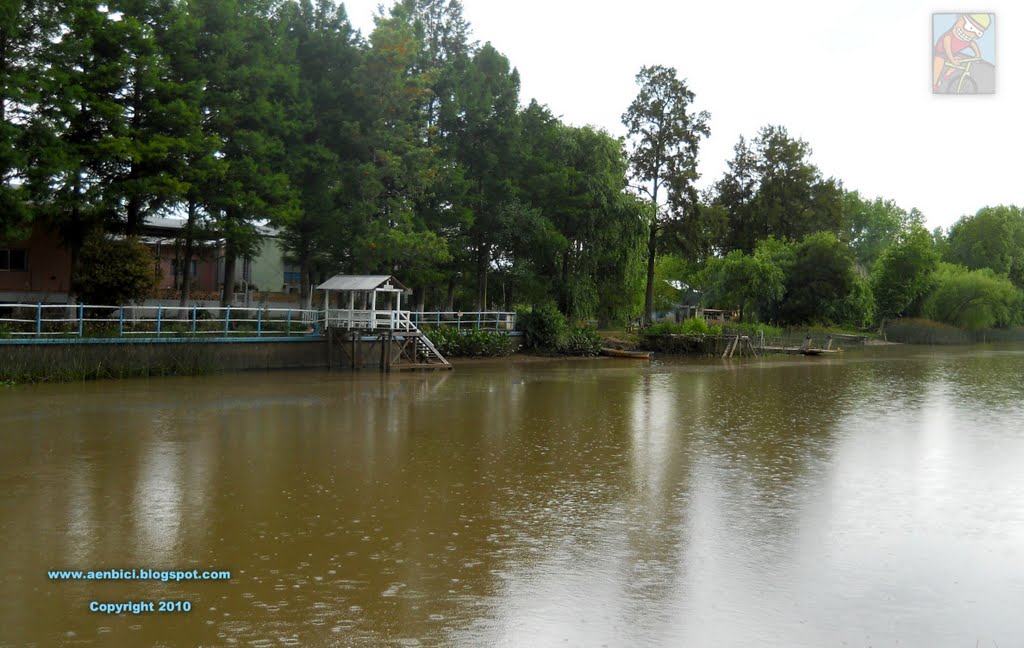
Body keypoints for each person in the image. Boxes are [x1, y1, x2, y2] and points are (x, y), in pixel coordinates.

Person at [933, 14, 991, 92]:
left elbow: (973, 44)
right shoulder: (949, 36)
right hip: (941, 52)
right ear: (960, 19)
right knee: (939, 62)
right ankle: (934, 83)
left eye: (978, 33)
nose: (970, 34)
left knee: (959, 61)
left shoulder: (967, 40)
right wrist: (952, 59)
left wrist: (977, 55)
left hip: (953, 53)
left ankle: (945, 76)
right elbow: (947, 47)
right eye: (969, 27)